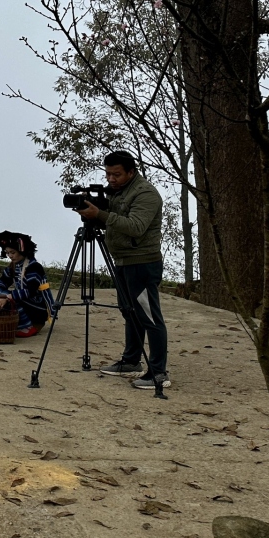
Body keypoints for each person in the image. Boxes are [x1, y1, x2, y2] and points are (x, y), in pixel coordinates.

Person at [78, 150, 170, 390]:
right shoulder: (120, 192)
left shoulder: (145, 193)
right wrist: (95, 210)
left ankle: (159, 373)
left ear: (131, 171)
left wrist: (100, 214)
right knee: (130, 313)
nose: (111, 179)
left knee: (150, 318)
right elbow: (114, 219)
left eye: (116, 174)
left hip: (141, 262)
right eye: (108, 174)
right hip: (122, 260)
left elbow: (136, 226)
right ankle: (131, 361)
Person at [0, 231, 55, 338]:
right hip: (25, 301)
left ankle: (27, 326)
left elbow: (30, 291)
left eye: (12, 252)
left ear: (22, 251)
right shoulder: (14, 266)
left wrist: (8, 298)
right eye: (7, 252)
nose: (10, 256)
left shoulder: (34, 267)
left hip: (37, 305)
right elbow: (4, 281)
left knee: (12, 298)